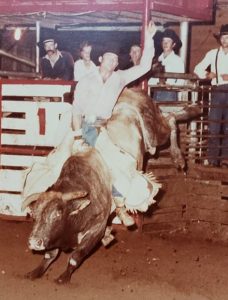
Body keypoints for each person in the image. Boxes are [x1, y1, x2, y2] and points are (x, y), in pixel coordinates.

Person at [72, 21, 157, 227]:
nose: (112, 62)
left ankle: (118, 206)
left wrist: (150, 38)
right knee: (61, 162)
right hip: (84, 127)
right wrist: (77, 136)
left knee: (119, 164)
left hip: (103, 128)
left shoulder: (119, 78)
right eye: (109, 58)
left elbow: (145, 66)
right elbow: (76, 109)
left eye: (115, 60)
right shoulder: (86, 80)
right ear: (100, 59)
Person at [194, 24, 228, 168]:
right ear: (219, 39)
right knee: (214, 126)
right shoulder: (212, 53)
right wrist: (208, 75)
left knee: (227, 127)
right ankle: (213, 160)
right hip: (217, 91)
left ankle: (226, 159)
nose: (226, 40)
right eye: (223, 38)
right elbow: (197, 69)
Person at [148, 29, 185, 101]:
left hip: (170, 95)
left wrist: (170, 86)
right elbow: (150, 80)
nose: (165, 44)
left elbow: (181, 81)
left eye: (168, 41)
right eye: (163, 41)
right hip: (156, 93)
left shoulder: (178, 61)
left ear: (173, 44)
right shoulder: (157, 59)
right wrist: (156, 83)